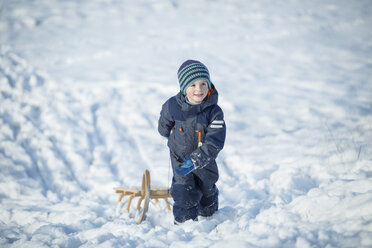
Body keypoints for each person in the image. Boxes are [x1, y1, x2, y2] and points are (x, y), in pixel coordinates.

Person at [158, 59, 226, 224]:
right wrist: (166, 134)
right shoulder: (172, 106)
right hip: (180, 158)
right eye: (193, 85)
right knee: (183, 191)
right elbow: (163, 122)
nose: (199, 89)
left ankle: (208, 219)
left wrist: (196, 160)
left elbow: (214, 142)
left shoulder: (214, 112)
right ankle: (184, 226)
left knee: (206, 189)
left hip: (204, 161)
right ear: (183, 87)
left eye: (203, 83)